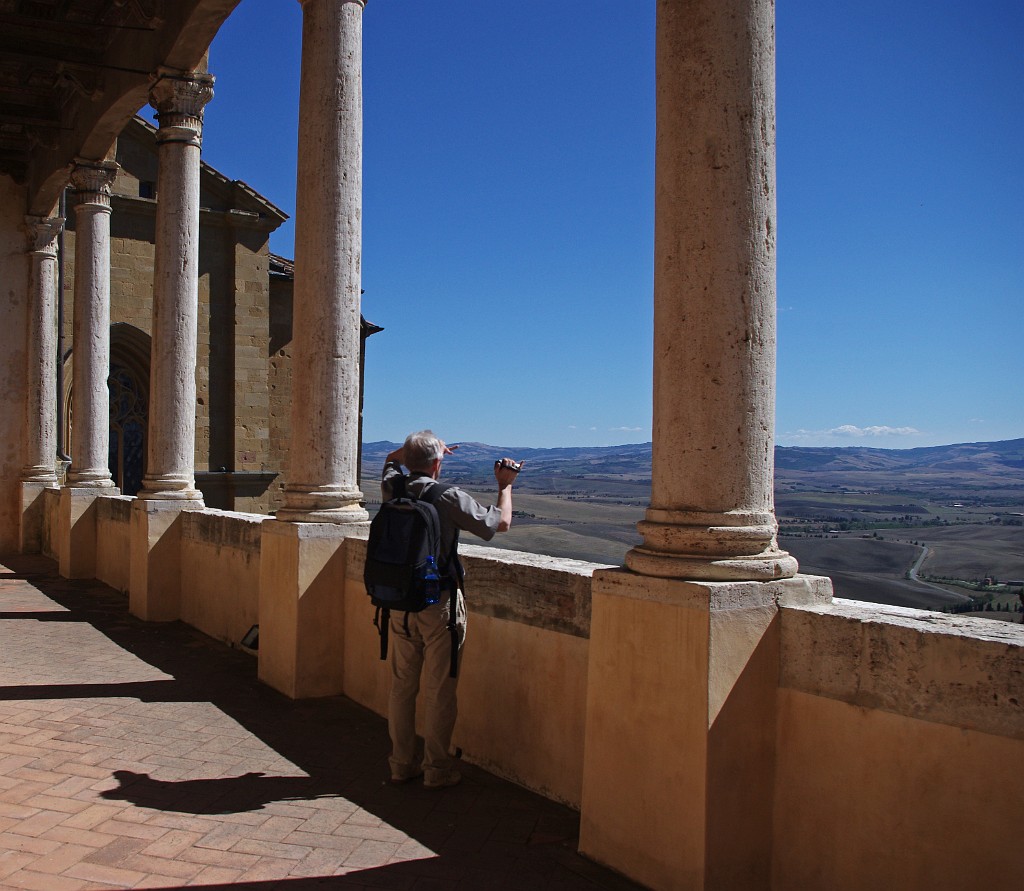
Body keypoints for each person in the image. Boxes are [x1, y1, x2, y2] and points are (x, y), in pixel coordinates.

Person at [381, 429, 521, 789]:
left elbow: (390, 460)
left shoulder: (393, 486)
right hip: (438, 603)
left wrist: (417, 450)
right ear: (438, 463)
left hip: (398, 601)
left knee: (401, 687)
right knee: (439, 690)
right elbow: (500, 523)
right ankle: (437, 769)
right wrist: (504, 485)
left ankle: (400, 764)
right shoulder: (448, 496)